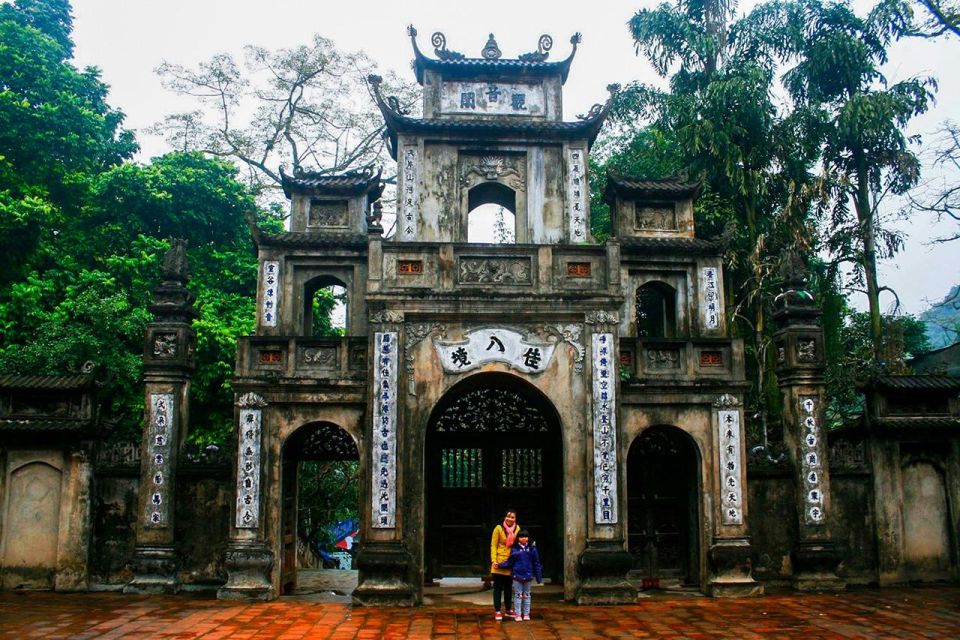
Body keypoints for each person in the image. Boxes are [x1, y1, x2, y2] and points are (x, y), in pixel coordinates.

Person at [496, 529, 542, 622]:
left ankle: (526, 613)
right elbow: (510, 562)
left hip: (528, 575)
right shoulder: (515, 549)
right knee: (518, 595)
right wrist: (500, 565)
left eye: (525, 536)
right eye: (521, 537)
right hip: (517, 576)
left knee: (527, 595)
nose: (523, 538)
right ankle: (517, 614)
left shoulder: (532, 549)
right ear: (518, 538)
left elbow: (536, 563)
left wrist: (538, 577)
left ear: (528, 538)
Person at [489, 510, 519, 621]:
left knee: (508, 588)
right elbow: (493, 545)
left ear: (515, 519)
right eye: (508, 516)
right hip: (498, 563)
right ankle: (497, 610)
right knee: (497, 588)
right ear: (504, 517)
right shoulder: (498, 528)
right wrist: (494, 560)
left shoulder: (517, 529)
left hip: (510, 563)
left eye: (512, 517)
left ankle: (508, 609)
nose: (510, 519)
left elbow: (518, 545)